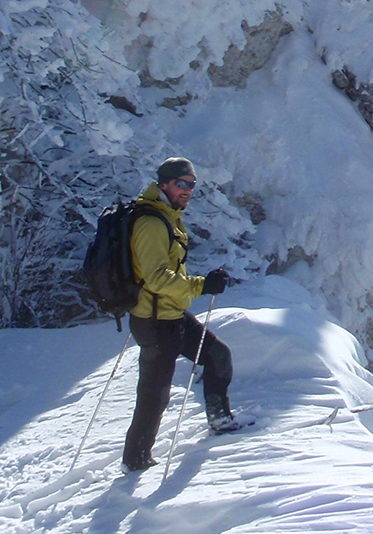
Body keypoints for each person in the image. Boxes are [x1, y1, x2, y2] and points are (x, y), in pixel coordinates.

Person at [122, 157, 239, 472]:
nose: (187, 190)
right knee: (154, 395)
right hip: (155, 321)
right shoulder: (151, 223)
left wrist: (202, 282)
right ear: (163, 184)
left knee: (217, 355)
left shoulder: (168, 216)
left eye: (192, 185)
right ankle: (135, 461)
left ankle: (220, 420)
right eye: (181, 183)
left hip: (171, 315)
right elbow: (156, 278)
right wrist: (202, 285)